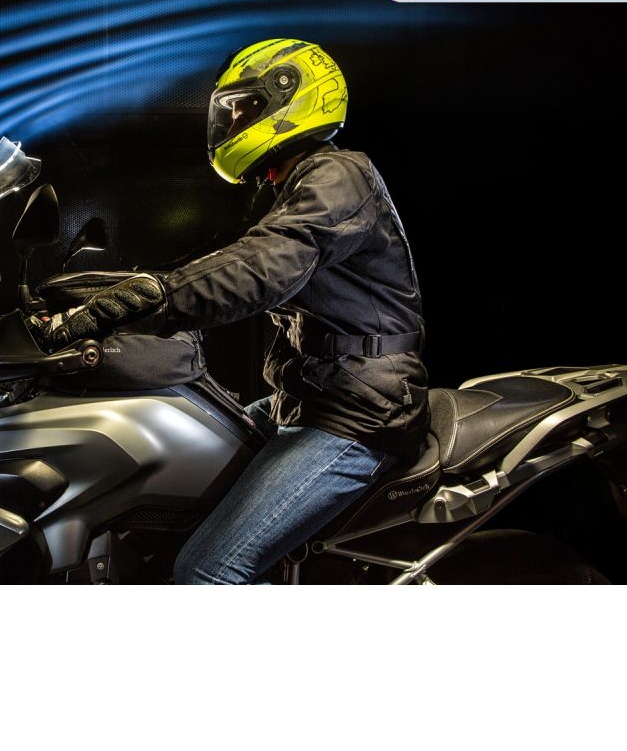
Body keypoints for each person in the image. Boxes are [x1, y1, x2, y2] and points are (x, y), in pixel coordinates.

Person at [45, 38, 430, 584]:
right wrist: (96, 298)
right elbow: (217, 264)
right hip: (307, 398)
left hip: (363, 412)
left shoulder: (338, 175)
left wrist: (154, 300)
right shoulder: (290, 187)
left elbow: (261, 268)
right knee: (175, 471)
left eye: (245, 108)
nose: (232, 121)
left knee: (207, 571)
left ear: (293, 97)